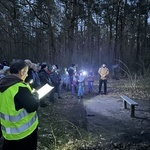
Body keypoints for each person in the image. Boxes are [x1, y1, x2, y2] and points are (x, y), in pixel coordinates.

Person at [0, 59, 40, 150]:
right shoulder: (19, 87)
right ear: (21, 72)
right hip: (24, 134)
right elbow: (33, 106)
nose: (26, 74)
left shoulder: (3, 84)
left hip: (8, 133)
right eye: (26, 72)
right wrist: (36, 96)